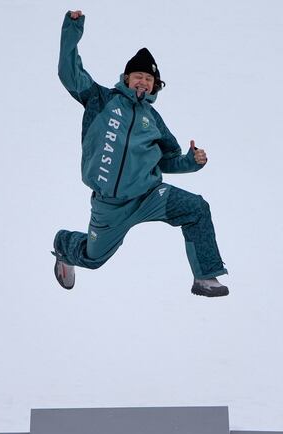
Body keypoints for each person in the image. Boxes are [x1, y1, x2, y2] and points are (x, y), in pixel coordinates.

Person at [52, 9, 228, 297]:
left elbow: (168, 159)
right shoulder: (101, 99)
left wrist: (191, 161)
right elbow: (69, 73)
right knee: (94, 259)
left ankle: (205, 277)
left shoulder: (154, 120)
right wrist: (73, 28)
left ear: (155, 85)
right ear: (126, 78)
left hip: (149, 196)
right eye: (138, 76)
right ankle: (64, 246)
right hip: (111, 205)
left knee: (196, 208)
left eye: (149, 78)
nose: (143, 81)